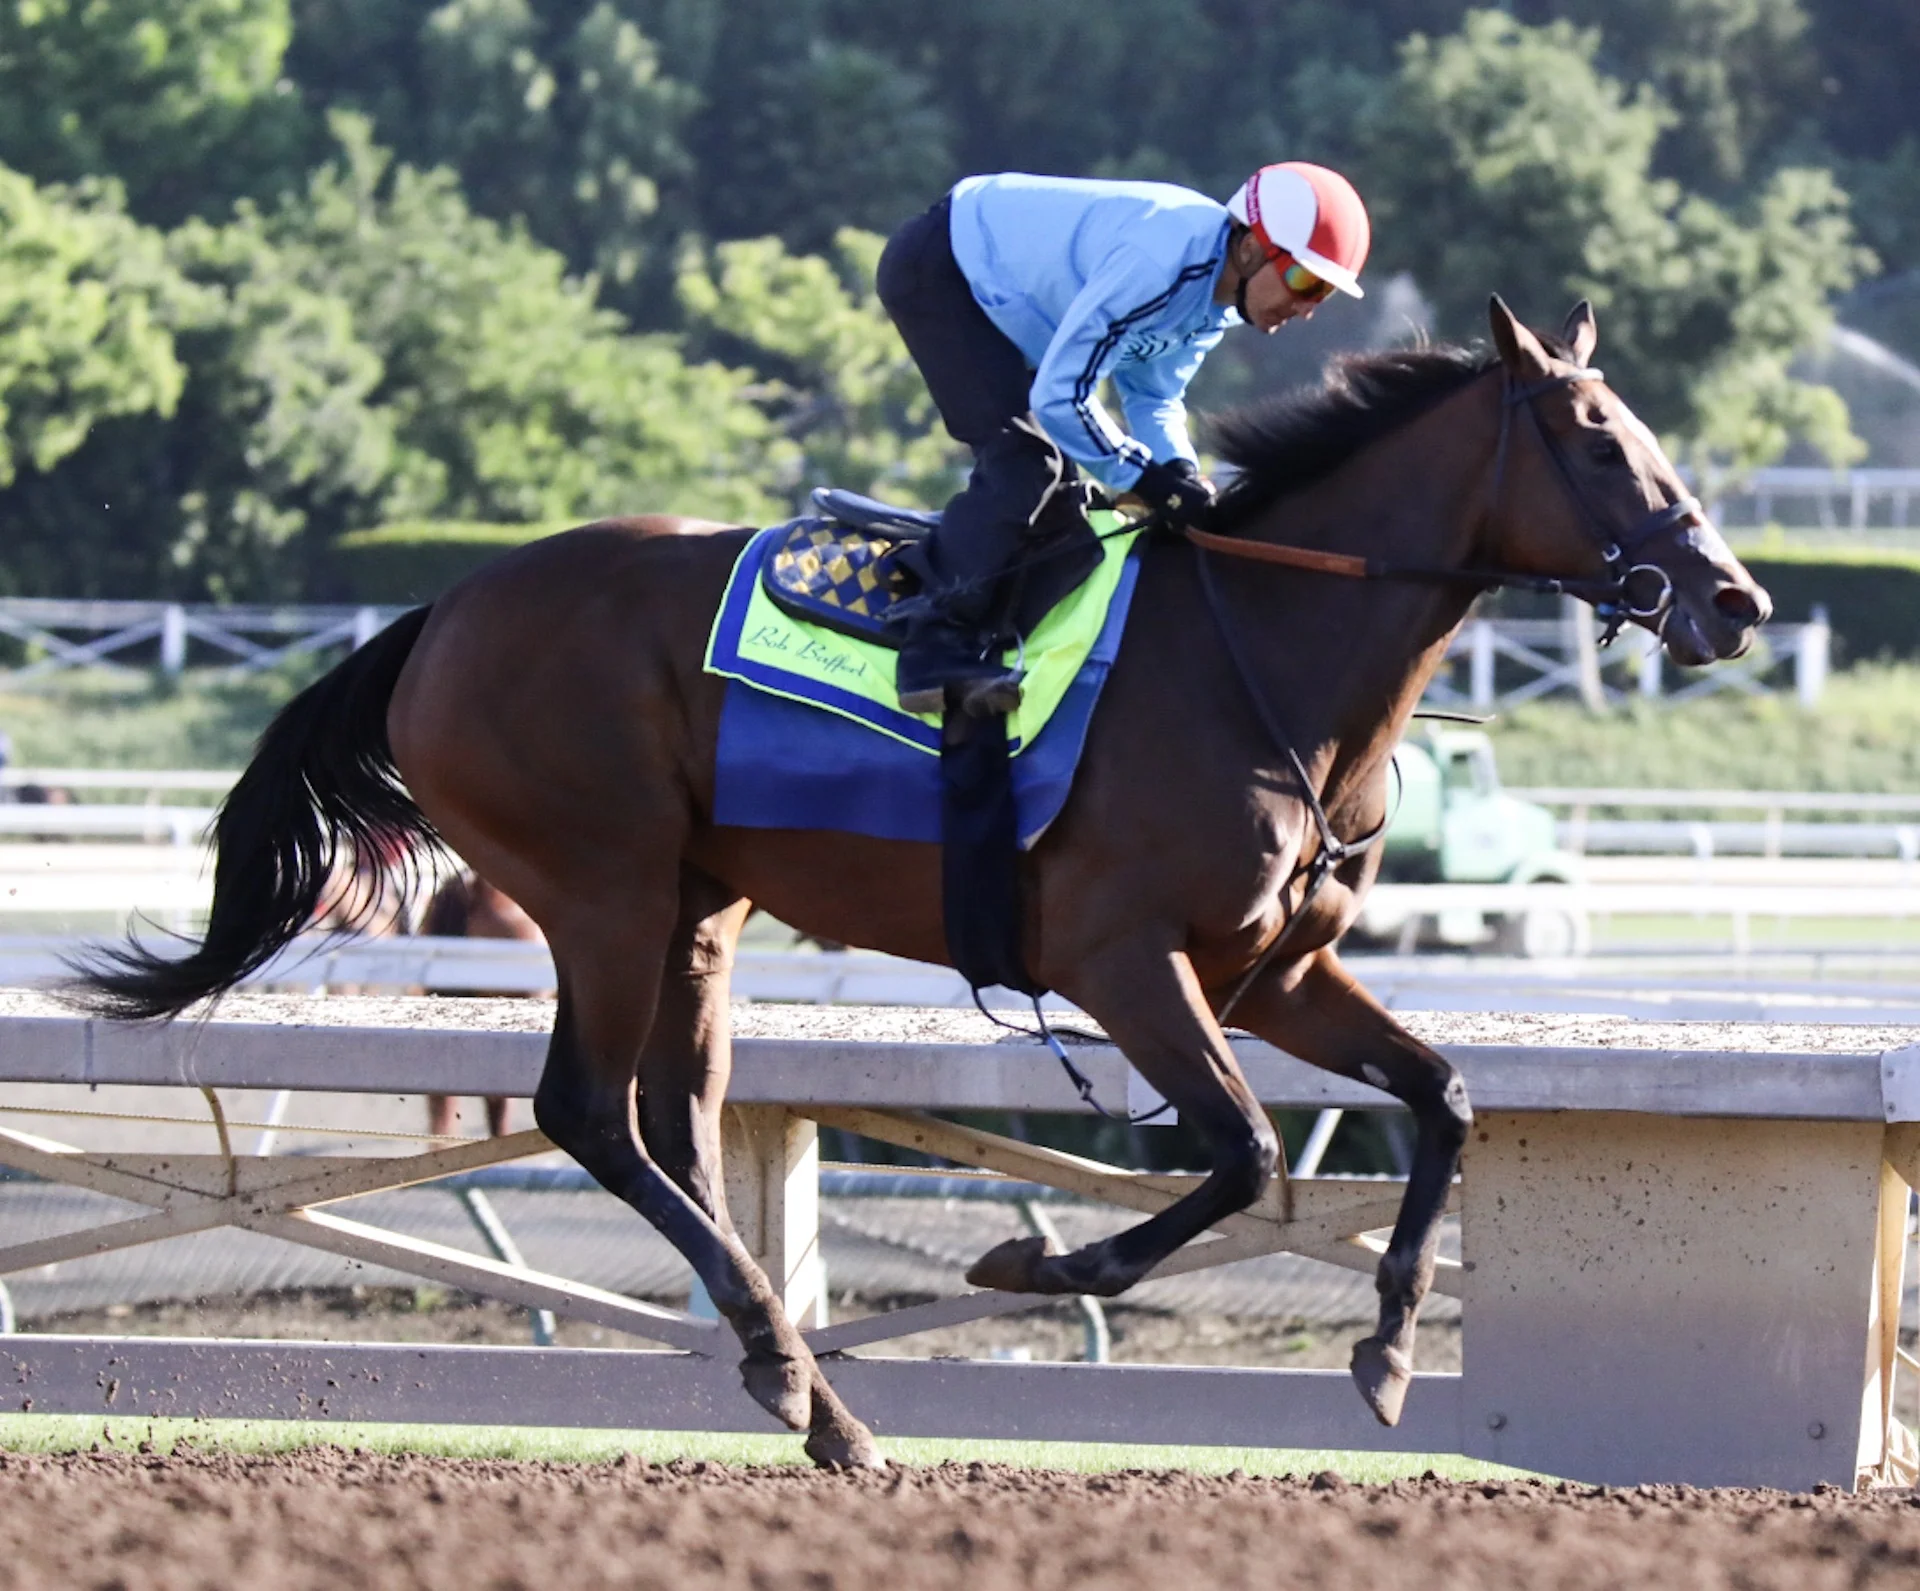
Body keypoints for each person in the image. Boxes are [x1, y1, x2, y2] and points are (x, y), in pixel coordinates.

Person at [876, 162, 1372, 715]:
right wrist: (1142, 477)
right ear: (1253, 247)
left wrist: (1181, 475)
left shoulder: (1216, 303)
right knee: (1028, 469)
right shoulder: (1163, 264)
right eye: (1305, 280)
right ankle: (930, 645)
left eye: (1324, 293)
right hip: (941, 271)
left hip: (1005, 310)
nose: (1307, 308)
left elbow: (1153, 398)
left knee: (1064, 501)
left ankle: (1002, 641)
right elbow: (1061, 397)